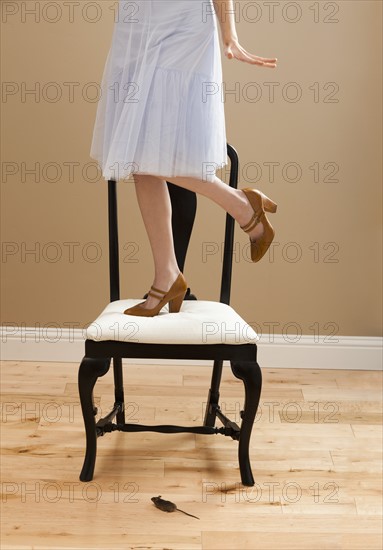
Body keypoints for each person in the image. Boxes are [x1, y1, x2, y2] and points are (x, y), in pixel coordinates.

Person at [90, 0, 278, 317]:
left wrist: (229, 32)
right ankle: (168, 273)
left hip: (182, 21)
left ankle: (242, 207)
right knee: (139, 151)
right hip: (136, 20)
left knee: (146, 147)